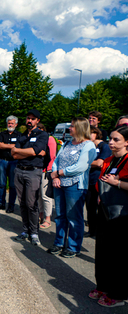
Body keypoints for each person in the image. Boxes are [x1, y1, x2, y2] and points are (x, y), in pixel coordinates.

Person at [89, 126, 128, 308]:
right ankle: (103, 286)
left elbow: (113, 182)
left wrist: (118, 183)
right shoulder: (109, 160)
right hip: (105, 211)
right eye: (110, 139)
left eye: (116, 140)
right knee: (103, 251)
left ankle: (118, 294)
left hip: (122, 214)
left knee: (118, 255)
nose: (111, 142)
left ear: (127, 142)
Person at [47, 117, 96, 258]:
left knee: (74, 217)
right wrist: (55, 177)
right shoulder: (67, 143)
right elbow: (57, 160)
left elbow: (81, 167)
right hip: (59, 184)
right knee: (61, 215)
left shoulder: (88, 145)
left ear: (80, 128)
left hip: (75, 185)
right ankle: (59, 243)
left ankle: (73, 247)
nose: (70, 128)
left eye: (73, 126)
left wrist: (60, 173)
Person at [11, 109, 49, 246]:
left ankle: (34, 232)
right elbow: (14, 155)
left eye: (33, 119)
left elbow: (33, 150)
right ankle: (25, 230)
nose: (30, 121)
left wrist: (21, 151)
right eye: (28, 118)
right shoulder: (21, 136)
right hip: (19, 171)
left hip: (33, 172)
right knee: (21, 203)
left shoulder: (42, 135)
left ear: (37, 121)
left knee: (31, 203)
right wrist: (32, 153)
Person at [84, 126, 111, 237]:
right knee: (89, 207)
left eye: (90, 133)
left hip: (99, 181)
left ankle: (99, 231)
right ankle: (92, 230)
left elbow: (100, 163)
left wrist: (82, 163)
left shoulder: (104, 147)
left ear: (96, 133)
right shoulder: (89, 146)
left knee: (99, 208)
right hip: (88, 180)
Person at [0, 115, 21, 213]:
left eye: (12, 123)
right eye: (9, 123)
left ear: (16, 124)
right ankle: (1, 203)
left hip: (14, 162)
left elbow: (19, 146)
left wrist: (4, 145)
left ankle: (11, 205)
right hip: (2, 161)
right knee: (2, 184)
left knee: (13, 185)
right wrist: (12, 146)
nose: (10, 125)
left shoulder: (19, 135)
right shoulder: (2, 134)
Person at [37, 123, 57, 229]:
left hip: (46, 170)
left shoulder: (50, 139)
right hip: (38, 169)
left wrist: (48, 170)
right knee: (39, 195)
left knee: (45, 196)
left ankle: (48, 218)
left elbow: (53, 156)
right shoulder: (38, 139)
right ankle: (40, 214)